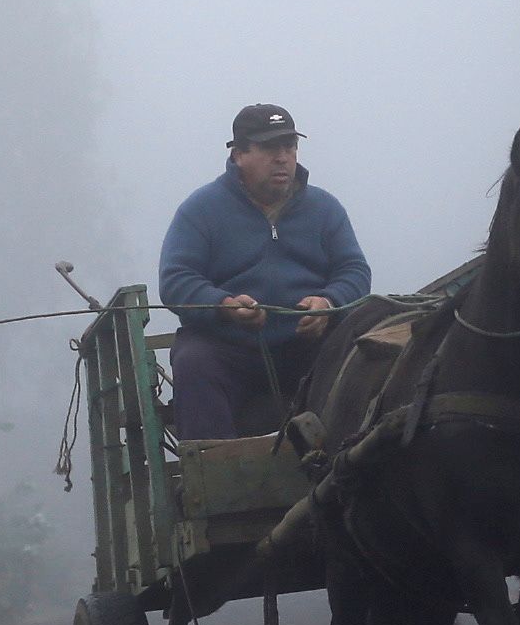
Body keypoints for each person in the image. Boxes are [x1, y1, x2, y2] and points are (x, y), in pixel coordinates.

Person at [158, 102, 371, 440]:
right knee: (193, 361)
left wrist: (329, 303)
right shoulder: (200, 210)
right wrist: (225, 306)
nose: (283, 157)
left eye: (289, 146)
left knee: (363, 357)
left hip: (308, 346)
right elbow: (176, 280)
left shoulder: (325, 209)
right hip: (227, 349)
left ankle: (355, 467)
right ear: (239, 154)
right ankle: (211, 478)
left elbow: (354, 270)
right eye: (270, 147)